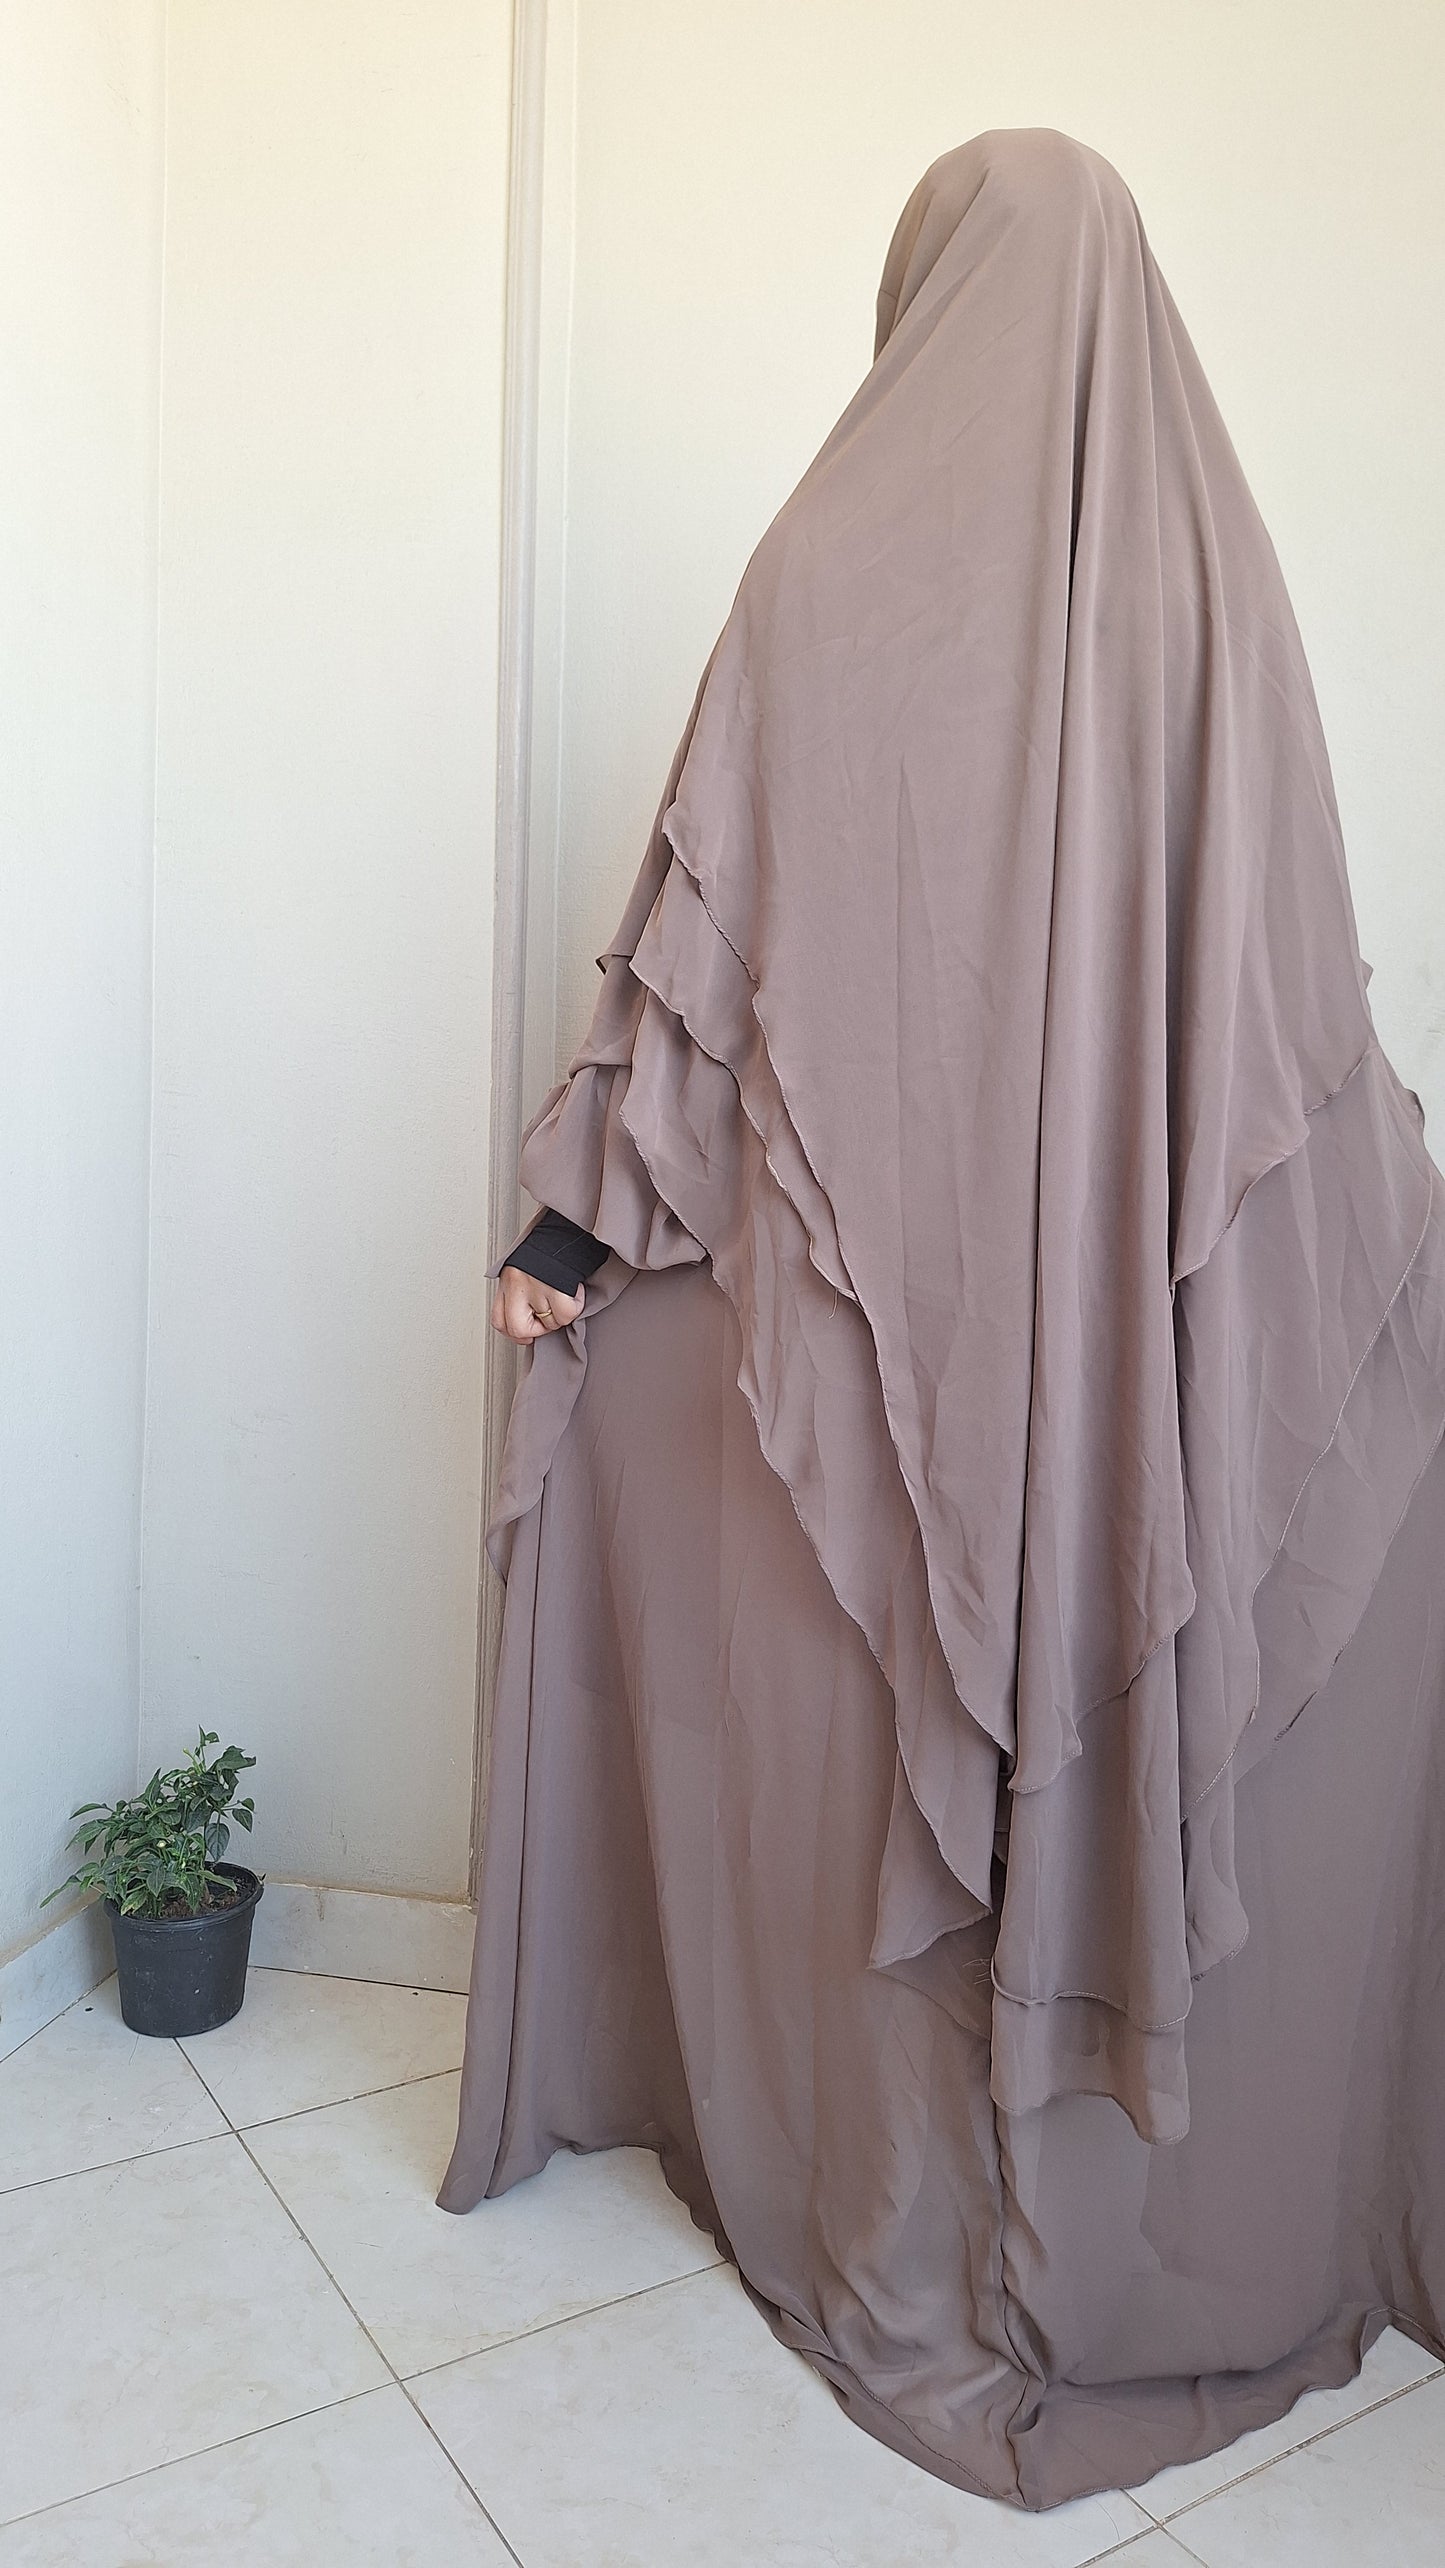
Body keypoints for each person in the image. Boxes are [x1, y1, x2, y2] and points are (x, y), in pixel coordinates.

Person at [441, 128, 1445, 2510]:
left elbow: (699, 981)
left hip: (881, 1401)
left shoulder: (825, 568)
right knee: (1153, 1701)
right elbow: (1301, 1064)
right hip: (1142, 1394)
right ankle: (1132, 2241)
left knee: (866, 1745)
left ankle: (900, 2225)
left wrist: (570, 1250)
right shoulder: (1221, 593)